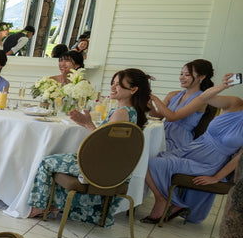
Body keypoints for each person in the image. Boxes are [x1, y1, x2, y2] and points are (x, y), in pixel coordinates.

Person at [26, 68, 152, 223]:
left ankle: (39, 207)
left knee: (47, 162)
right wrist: (88, 123)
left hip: (99, 167)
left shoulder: (121, 113)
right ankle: (54, 206)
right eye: (113, 83)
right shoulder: (132, 112)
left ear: (133, 89)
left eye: (118, 85)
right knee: (60, 158)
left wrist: (88, 124)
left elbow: (104, 146)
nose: (113, 87)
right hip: (115, 168)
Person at [142, 74, 243, 224]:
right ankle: (166, 200)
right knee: (146, 158)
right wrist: (223, 85)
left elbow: (239, 158)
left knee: (151, 163)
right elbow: (204, 98)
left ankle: (164, 200)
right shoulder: (236, 103)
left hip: (210, 162)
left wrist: (216, 177)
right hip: (193, 148)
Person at [148, 59, 215, 155]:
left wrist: (155, 99)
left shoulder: (201, 99)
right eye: (181, 74)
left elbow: (172, 117)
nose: (181, 78)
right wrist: (150, 106)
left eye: (187, 75)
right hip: (162, 134)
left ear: (201, 77)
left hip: (178, 140)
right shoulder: (173, 94)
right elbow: (158, 117)